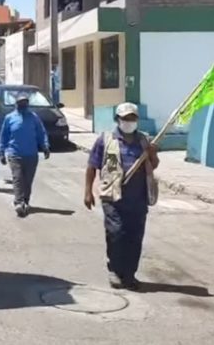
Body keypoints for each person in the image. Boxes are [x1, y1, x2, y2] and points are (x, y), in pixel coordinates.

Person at [84, 102, 160, 291]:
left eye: (132, 118)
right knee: (116, 233)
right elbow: (92, 165)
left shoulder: (144, 141)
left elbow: (154, 165)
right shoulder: (106, 140)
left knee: (135, 237)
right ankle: (115, 270)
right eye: (125, 118)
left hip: (138, 199)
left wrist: (152, 154)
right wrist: (88, 191)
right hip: (113, 197)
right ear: (117, 120)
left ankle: (130, 274)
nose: (129, 122)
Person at [0, 93, 49, 217]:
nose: (23, 105)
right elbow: (3, 136)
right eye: (21, 102)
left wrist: (45, 146)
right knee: (18, 178)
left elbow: (41, 133)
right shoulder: (9, 118)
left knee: (27, 181)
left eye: (25, 102)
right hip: (15, 154)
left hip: (31, 155)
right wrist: (1, 152)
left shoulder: (33, 117)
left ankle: (25, 201)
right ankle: (18, 202)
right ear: (16, 104)